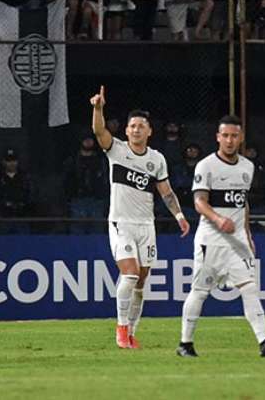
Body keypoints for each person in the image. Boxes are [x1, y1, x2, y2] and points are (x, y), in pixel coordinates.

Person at [177, 115, 265, 359]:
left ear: (240, 138)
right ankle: (185, 343)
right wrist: (218, 219)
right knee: (200, 291)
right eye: (225, 135)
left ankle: (264, 341)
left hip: (237, 243)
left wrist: (247, 235)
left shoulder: (247, 167)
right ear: (218, 137)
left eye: (234, 136)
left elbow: (242, 203)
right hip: (211, 241)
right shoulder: (206, 166)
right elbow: (199, 202)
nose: (229, 140)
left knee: (249, 287)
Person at [89, 85, 190, 349]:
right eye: (132, 126)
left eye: (140, 126)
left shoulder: (156, 160)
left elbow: (166, 192)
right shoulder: (116, 150)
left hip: (146, 225)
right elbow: (99, 131)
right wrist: (98, 108)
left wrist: (179, 214)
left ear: (149, 131)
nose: (136, 130)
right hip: (121, 223)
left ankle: (132, 331)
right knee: (131, 274)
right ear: (126, 130)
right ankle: (121, 329)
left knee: (141, 281)